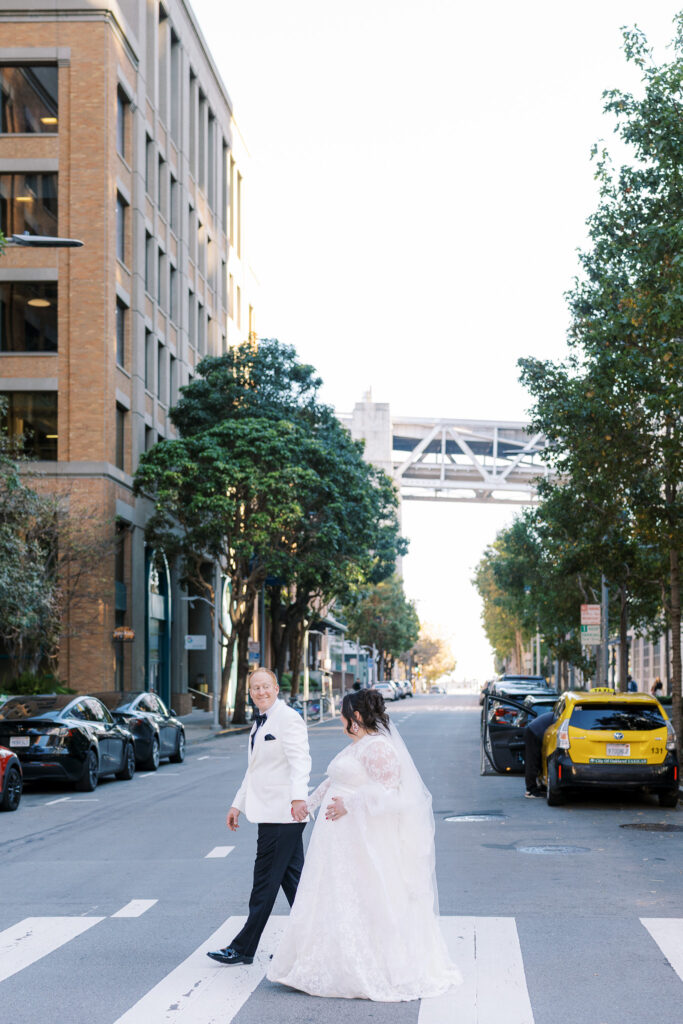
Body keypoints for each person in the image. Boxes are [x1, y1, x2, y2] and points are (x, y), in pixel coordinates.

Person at [267, 688, 461, 1001]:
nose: (341, 720)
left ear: (355, 717)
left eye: (343, 715)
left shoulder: (379, 748)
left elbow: (390, 793)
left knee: (362, 894)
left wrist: (351, 804)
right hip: (336, 838)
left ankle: (365, 966)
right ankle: (323, 960)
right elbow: (334, 780)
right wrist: (308, 803)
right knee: (333, 894)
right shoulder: (356, 746)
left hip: (360, 837)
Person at [207, 667, 311, 966]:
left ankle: (243, 948)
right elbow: (255, 772)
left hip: (283, 814)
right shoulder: (260, 723)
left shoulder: (288, 718)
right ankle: (319, 942)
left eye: (266, 686)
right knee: (296, 884)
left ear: (277, 688)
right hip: (272, 812)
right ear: (250, 693)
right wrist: (236, 804)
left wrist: (297, 797)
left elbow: (300, 761)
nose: (261, 692)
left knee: (264, 883)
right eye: (255, 688)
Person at [524, 710, 555, 798]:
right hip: (534, 733)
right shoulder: (559, 718)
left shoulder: (556, 714)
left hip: (534, 731)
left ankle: (537, 786)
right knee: (532, 761)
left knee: (537, 760)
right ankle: (530, 790)